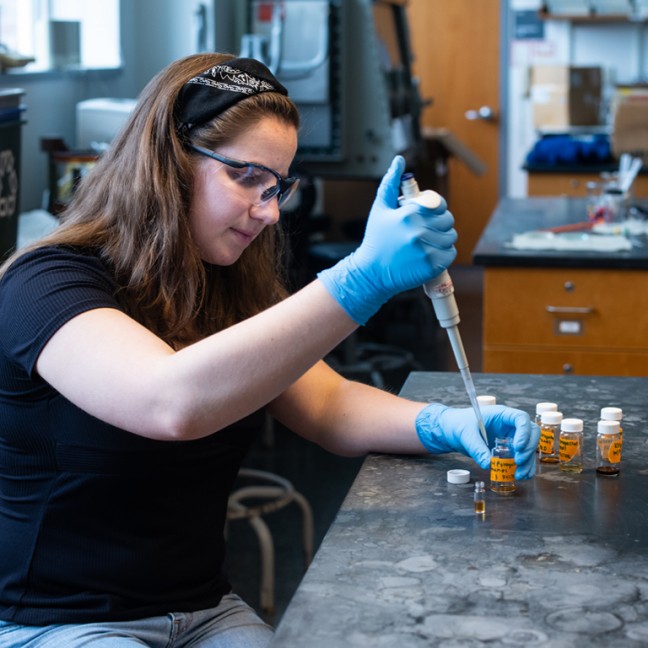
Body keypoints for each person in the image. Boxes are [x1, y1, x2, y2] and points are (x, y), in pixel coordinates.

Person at [0, 53, 539, 647]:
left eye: (277, 185)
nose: (270, 209)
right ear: (170, 162)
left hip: (201, 610)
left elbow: (327, 404)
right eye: (246, 178)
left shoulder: (225, 280)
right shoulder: (44, 284)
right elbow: (168, 402)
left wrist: (446, 423)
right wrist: (360, 278)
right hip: (58, 621)